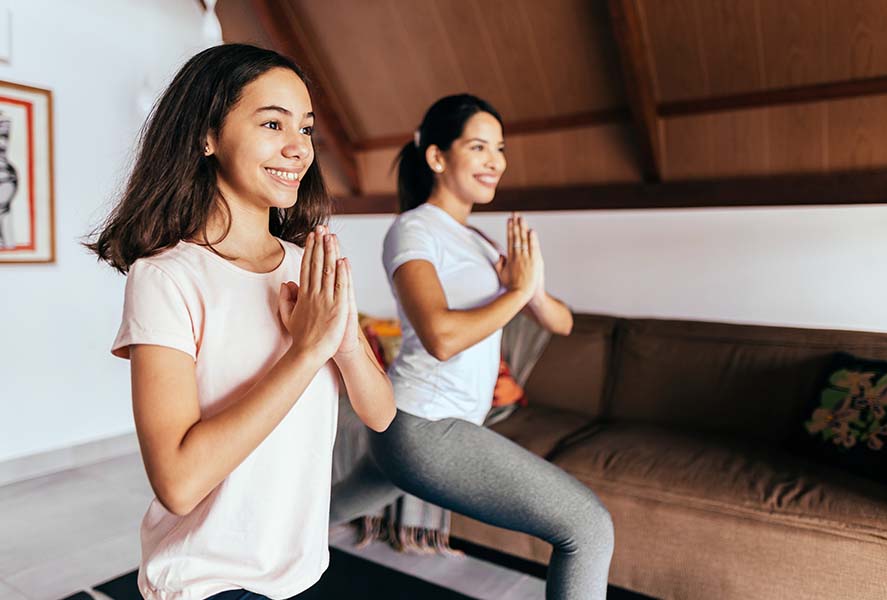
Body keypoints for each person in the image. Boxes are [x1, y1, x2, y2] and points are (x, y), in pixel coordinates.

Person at [86, 44, 395, 600]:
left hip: (300, 568)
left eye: (306, 129)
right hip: (207, 581)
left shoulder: (309, 264)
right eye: (272, 123)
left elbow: (379, 414)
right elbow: (178, 484)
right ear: (208, 136)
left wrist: (341, 340)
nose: (297, 149)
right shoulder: (167, 278)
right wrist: (305, 351)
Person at [331, 94, 614, 600]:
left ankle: (239, 562)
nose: (496, 161)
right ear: (437, 157)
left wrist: (530, 288)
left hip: (409, 425)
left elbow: (562, 322)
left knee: (320, 514)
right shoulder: (413, 230)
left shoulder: (479, 240)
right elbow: (441, 337)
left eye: (500, 148)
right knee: (587, 527)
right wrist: (517, 293)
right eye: (479, 146)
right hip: (422, 426)